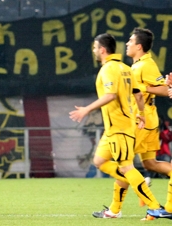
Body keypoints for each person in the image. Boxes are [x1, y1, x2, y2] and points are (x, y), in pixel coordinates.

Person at [69, 33, 166, 219]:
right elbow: (138, 94)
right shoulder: (125, 68)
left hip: (119, 127)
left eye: (95, 48)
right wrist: (142, 115)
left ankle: (154, 206)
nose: (94, 51)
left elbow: (110, 95)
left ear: (103, 50)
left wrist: (86, 110)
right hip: (117, 127)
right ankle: (129, 191)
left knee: (126, 167)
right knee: (99, 161)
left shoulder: (108, 69)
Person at [128, 28, 172, 216]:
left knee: (124, 163)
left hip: (143, 121)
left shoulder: (146, 64)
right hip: (145, 119)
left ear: (139, 46)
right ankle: (145, 188)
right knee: (150, 164)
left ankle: (116, 209)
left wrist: (141, 87)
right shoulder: (136, 65)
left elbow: (164, 90)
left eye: (130, 41)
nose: (127, 44)